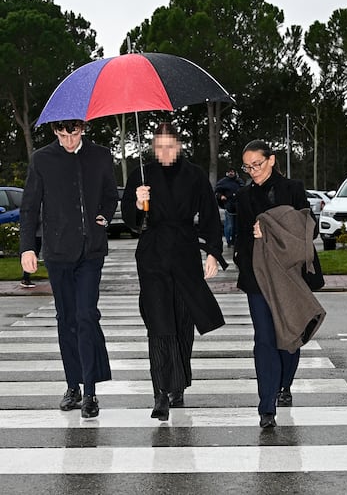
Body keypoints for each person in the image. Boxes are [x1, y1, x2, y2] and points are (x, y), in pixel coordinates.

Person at [121, 121, 227, 421]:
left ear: (178, 146)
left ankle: (178, 384)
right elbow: (132, 221)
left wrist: (213, 253)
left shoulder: (194, 175)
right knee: (158, 320)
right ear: (153, 148)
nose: (164, 151)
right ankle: (160, 392)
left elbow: (209, 216)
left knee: (182, 321)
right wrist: (139, 204)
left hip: (184, 252)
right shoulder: (141, 176)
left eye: (169, 146)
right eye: (159, 147)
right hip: (152, 254)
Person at [20, 119, 118, 419]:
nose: (68, 141)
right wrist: (27, 247)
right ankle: (72, 385)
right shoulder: (42, 159)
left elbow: (110, 195)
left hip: (91, 252)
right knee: (67, 320)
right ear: (55, 132)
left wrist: (102, 215)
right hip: (58, 252)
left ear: (83, 128)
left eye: (73, 134)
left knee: (86, 315)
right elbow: (29, 206)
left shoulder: (100, 156)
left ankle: (90, 392)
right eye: (62, 135)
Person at [233, 139, 320, 429]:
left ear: (271, 160)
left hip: (291, 275)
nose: (252, 171)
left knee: (290, 335)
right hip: (258, 276)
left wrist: (272, 228)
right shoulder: (243, 196)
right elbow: (239, 239)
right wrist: (252, 237)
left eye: (257, 164)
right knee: (264, 338)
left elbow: (309, 227)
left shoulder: (293, 189)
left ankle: (285, 384)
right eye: (247, 166)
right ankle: (266, 405)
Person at [215, 167, 244, 247]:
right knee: (229, 225)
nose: (231, 173)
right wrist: (221, 196)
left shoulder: (239, 181)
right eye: (229, 172)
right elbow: (217, 192)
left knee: (237, 225)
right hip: (229, 205)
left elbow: (243, 190)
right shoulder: (223, 182)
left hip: (238, 206)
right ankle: (229, 241)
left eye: (232, 172)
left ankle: (235, 241)